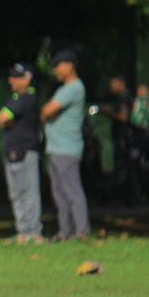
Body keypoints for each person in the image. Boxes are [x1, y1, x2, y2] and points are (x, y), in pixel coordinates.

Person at [40, 49, 91, 241]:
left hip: (67, 149)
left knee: (72, 191)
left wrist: (47, 113)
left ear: (69, 66)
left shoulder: (74, 88)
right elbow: (46, 112)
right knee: (60, 194)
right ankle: (65, 232)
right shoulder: (63, 89)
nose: (55, 71)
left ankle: (82, 232)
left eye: (58, 66)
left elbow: (47, 111)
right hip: (56, 148)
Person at [0, 62, 44, 243]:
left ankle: (34, 232)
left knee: (30, 192)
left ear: (27, 79)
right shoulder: (15, 98)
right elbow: (0, 119)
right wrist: (7, 120)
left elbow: (4, 118)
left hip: (26, 151)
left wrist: (8, 120)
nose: (11, 80)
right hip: (12, 152)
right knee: (16, 194)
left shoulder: (28, 97)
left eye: (16, 77)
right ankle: (23, 232)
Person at [98, 73, 135, 199]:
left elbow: (123, 117)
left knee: (122, 167)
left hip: (123, 138)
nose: (111, 87)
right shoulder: (121, 98)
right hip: (120, 137)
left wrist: (107, 112)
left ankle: (123, 197)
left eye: (113, 83)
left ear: (121, 83)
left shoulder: (125, 98)